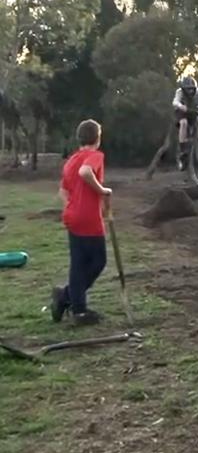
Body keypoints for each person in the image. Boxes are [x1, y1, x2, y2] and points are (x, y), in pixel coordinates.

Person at [51, 119, 112, 325]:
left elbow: (63, 191)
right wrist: (102, 191)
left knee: (78, 265)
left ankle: (74, 305)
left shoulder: (71, 159)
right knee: (98, 261)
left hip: (72, 217)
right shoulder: (94, 156)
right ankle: (71, 300)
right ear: (97, 138)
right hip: (88, 219)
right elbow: (85, 172)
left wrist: (75, 206)